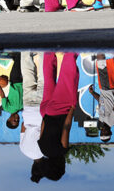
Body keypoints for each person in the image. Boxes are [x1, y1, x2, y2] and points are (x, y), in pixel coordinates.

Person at [34, 52, 78, 183]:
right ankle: (48, 52)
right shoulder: (43, 150)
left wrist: (72, 109)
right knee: (49, 79)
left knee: (68, 78)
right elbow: (42, 127)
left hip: (60, 110)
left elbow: (66, 128)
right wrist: (47, 113)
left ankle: (71, 52)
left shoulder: (61, 150)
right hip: (45, 112)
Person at [88, 54, 114, 142]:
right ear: (110, 132)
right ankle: (101, 44)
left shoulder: (102, 119)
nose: (103, 131)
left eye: (102, 133)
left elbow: (101, 101)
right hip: (109, 87)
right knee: (101, 63)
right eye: (106, 133)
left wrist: (92, 93)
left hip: (104, 88)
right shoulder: (111, 121)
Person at [20, 51, 44, 162]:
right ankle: (25, 51)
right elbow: (23, 127)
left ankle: (43, 51)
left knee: (43, 78)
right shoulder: (23, 150)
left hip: (41, 110)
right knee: (27, 74)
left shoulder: (44, 151)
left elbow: (44, 131)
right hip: (28, 109)